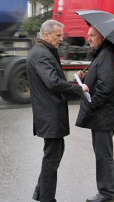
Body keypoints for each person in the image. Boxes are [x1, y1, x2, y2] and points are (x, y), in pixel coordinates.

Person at [27, 19, 88, 202]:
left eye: (62, 35)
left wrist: (74, 79)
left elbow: (54, 79)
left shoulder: (43, 51)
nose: (61, 39)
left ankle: (41, 193)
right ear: (46, 34)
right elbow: (53, 82)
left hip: (49, 113)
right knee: (52, 158)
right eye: (58, 35)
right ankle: (47, 198)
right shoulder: (41, 54)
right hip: (49, 114)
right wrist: (79, 89)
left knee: (54, 154)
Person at [75, 25, 114, 202]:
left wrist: (93, 103)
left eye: (92, 35)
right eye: (88, 35)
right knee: (105, 153)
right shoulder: (102, 53)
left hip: (104, 114)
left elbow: (106, 85)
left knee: (103, 155)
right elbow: (99, 79)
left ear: (102, 36)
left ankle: (106, 193)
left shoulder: (107, 55)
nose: (88, 38)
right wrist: (84, 77)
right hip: (103, 114)